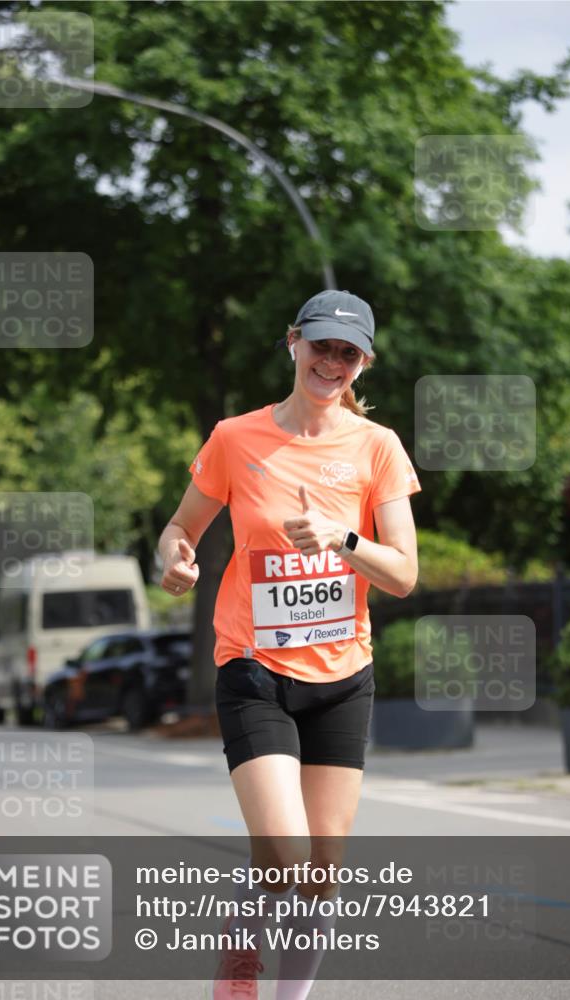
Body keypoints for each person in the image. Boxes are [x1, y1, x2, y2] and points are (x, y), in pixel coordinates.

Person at [158, 290, 421, 999]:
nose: (330, 362)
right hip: (255, 669)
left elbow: (402, 574)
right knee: (285, 853)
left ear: (362, 364)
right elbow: (179, 528)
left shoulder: (377, 448)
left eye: (347, 352)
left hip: (343, 675)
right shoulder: (233, 438)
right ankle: (240, 954)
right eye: (321, 346)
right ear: (292, 344)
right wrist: (175, 559)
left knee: (317, 876)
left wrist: (343, 540)